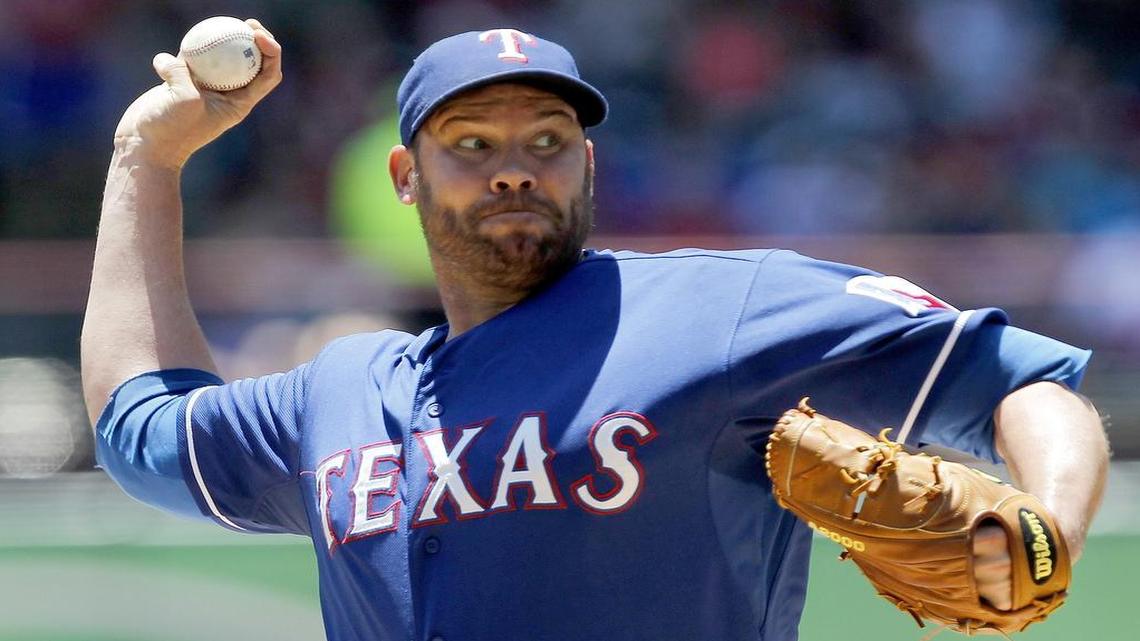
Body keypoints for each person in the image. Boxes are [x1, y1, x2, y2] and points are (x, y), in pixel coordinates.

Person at [83, 22, 1109, 641]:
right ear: (405, 177)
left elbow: (1020, 380)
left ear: (588, 166)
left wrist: (1053, 523)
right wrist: (146, 158)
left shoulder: (724, 309)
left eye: (548, 140)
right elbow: (143, 431)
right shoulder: (336, 391)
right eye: (471, 142)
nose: (514, 166)